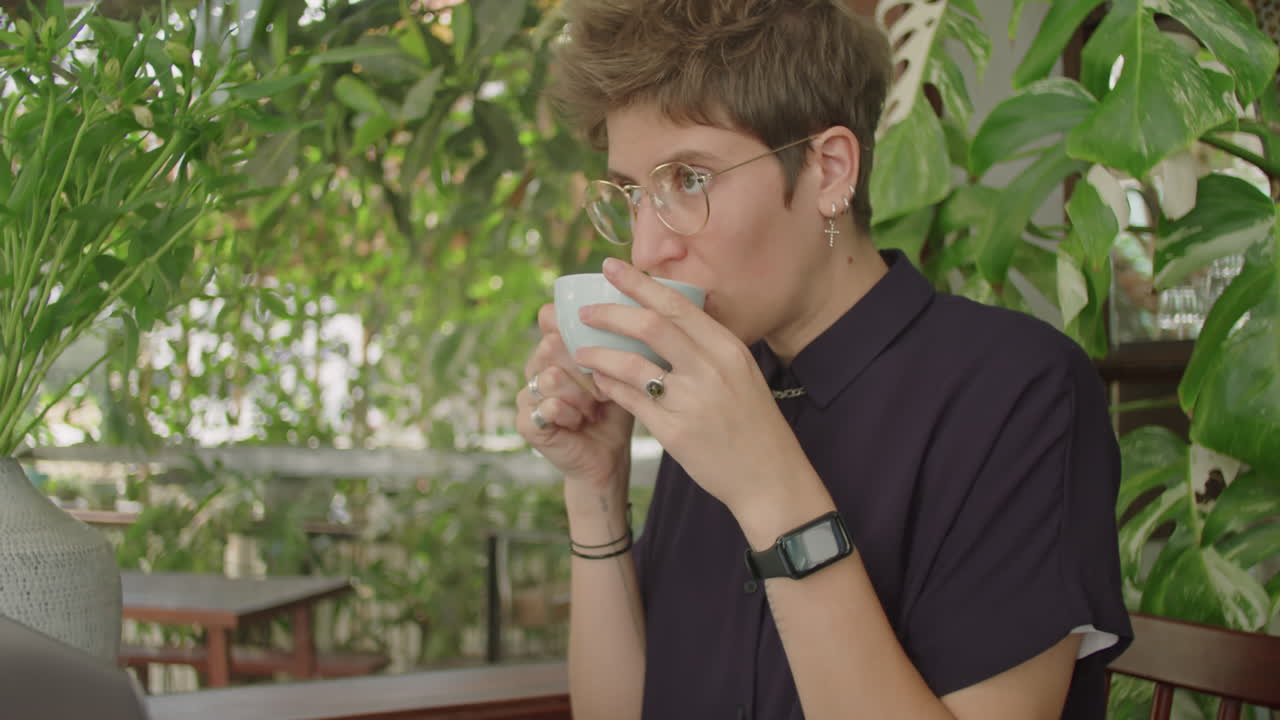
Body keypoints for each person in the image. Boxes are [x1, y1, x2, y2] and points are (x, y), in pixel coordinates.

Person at [516, 1, 1133, 718]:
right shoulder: (722, 378)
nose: (647, 249)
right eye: (632, 194)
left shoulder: (1016, 391)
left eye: (689, 179)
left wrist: (769, 490)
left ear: (830, 170)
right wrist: (596, 489)